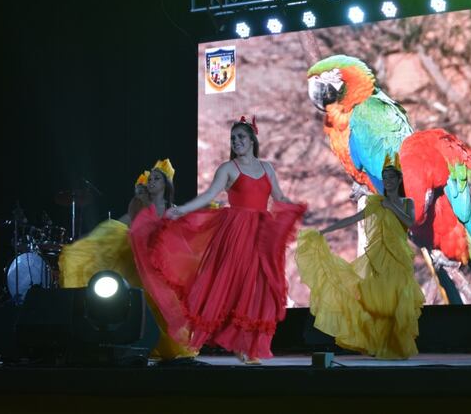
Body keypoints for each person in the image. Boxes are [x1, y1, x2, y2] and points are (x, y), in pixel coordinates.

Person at [130, 116, 306, 363]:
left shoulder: (267, 168)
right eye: (233, 139)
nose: (236, 142)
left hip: (260, 232)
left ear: (253, 139)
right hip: (236, 232)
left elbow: (278, 196)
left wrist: (295, 208)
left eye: (241, 137)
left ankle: (248, 345)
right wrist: (182, 210)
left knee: (257, 286)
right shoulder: (228, 168)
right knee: (235, 284)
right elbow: (210, 195)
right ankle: (241, 346)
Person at [59, 160, 197, 360]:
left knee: (164, 305)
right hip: (138, 261)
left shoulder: (173, 210)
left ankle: (165, 344)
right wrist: (96, 240)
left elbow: (177, 239)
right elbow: (125, 225)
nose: (152, 181)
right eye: (150, 178)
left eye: (157, 178)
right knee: (142, 299)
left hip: (161, 264)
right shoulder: (138, 204)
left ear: (166, 184)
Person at [295, 155, 425, 359]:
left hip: (398, 259)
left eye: (391, 178)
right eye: (385, 178)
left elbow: (409, 222)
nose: (388, 182)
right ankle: (380, 345)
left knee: (399, 301)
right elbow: (352, 219)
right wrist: (324, 231)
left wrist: (391, 206)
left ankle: (396, 345)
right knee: (380, 303)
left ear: (399, 180)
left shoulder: (406, 202)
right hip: (378, 259)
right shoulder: (376, 203)